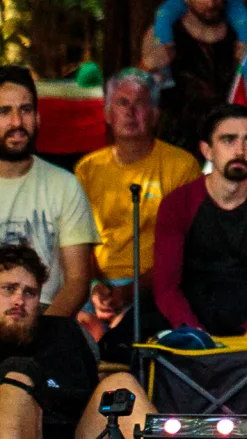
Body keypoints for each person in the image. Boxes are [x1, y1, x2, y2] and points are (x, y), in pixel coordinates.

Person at [0, 242, 153, 439]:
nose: (20, 300)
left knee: (121, 383)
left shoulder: (64, 333)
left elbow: (92, 393)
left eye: (30, 293)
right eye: (9, 289)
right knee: (17, 378)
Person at [150, 105, 247, 337]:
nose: (239, 151)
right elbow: (166, 287)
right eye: (228, 140)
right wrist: (192, 332)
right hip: (191, 309)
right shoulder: (177, 204)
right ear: (207, 150)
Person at [70, 71, 196, 304]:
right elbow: (78, 240)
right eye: (121, 103)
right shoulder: (87, 168)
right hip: (96, 286)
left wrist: (131, 293)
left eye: (140, 103)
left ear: (155, 115)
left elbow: (184, 249)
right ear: (108, 114)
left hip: (157, 288)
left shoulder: (182, 166)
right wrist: (96, 287)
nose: (130, 112)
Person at [0, 69, 95, 319]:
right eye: (4, 111)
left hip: (46, 321)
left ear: (38, 117)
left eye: (25, 110)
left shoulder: (65, 185)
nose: (17, 122)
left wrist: (39, 334)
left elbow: (78, 281)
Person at [137, 0, 247, 148]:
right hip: (177, 143)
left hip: (232, 142)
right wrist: (147, 65)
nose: (211, 1)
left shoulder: (242, 34)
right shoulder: (163, 34)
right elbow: (135, 91)